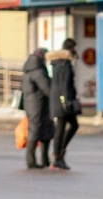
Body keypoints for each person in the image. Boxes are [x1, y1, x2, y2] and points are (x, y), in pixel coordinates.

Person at [48, 38, 80, 170]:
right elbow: (64, 85)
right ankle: (58, 156)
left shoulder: (57, 63)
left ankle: (59, 154)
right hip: (63, 100)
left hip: (59, 99)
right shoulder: (65, 64)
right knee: (63, 127)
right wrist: (66, 101)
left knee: (66, 126)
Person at [22, 48, 54, 169]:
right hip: (39, 105)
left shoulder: (29, 69)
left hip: (31, 105)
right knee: (37, 132)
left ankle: (39, 160)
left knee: (40, 131)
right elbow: (47, 88)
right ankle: (33, 161)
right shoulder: (38, 71)